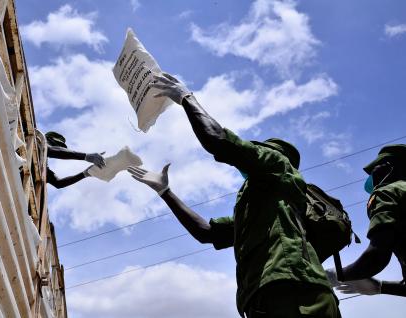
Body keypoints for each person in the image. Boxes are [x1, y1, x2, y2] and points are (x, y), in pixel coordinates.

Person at [127, 73, 341, 317]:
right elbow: (206, 233)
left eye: (255, 150)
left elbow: (218, 140)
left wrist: (186, 98)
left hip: (292, 291)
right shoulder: (260, 205)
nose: (249, 154)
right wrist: (166, 192)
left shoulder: (278, 164)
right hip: (269, 296)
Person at [326, 145, 406, 297]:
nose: (371, 177)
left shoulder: (389, 192)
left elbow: (377, 255)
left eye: (374, 169)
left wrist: (338, 276)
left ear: (389, 166)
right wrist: (380, 287)